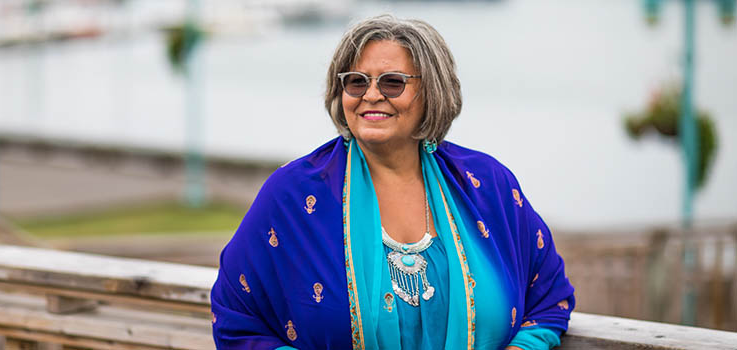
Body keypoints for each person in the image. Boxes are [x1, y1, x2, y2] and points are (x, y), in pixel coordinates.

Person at [211, 15, 574, 350]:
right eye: (356, 82)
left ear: (431, 92)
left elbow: (549, 296)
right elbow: (235, 317)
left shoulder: (487, 185)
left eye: (392, 82)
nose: (371, 95)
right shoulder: (292, 196)